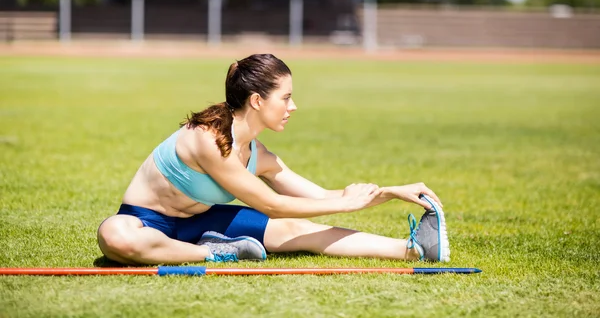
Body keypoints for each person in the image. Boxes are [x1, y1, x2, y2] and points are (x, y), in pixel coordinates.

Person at [97, 54, 450, 265]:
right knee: (114, 237)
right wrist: (347, 205)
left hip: (203, 223)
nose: (293, 107)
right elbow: (273, 204)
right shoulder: (207, 140)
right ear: (256, 100)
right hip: (146, 223)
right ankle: (218, 253)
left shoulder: (259, 155)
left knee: (301, 230)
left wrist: (389, 191)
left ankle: (414, 249)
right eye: (286, 98)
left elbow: (318, 197)